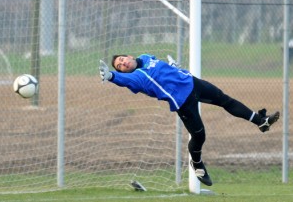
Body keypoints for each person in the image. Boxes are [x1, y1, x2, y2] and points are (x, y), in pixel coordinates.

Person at [98, 53, 280, 186]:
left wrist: (174, 68)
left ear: (129, 56)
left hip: (192, 83)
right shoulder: (136, 78)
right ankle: (197, 163)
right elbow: (123, 80)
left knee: (226, 100)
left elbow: (165, 71)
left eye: (122, 60)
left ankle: (260, 122)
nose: (123, 64)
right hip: (182, 101)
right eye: (119, 66)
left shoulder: (146, 57)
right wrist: (111, 76)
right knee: (199, 135)